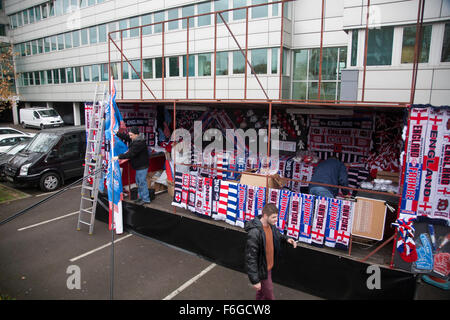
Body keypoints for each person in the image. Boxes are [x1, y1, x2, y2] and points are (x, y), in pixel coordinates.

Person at [244, 203, 297, 300]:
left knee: (261, 293)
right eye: (273, 217)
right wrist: (255, 280)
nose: (276, 220)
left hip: (268, 267)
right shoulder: (255, 233)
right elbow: (250, 257)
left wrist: (286, 239)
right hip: (262, 269)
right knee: (269, 294)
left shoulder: (271, 226)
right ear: (265, 216)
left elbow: (277, 234)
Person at [113, 126, 150, 204]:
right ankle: (141, 197)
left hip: (142, 166)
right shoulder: (135, 139)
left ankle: (146, 199)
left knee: (142, 182)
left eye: (131, 135)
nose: (130, 137)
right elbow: (126, 137)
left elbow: (130, 154)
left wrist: (118, 157)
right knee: (139, 182)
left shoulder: (139, 143)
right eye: (129, 135)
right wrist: (117, 133)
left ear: (136, 135)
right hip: (139, 166)